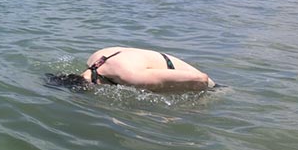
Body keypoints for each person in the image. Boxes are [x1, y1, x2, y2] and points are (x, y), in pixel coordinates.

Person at [49, 46, 216, 92]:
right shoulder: (94, 58)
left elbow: (200, 79)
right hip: (160, 68)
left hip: (209, 88)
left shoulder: (130, 76)